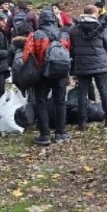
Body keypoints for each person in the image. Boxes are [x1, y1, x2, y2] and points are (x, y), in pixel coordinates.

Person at [23, 9, 72, 146]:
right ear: (54, 19)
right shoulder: (63, 34)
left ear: (41, 20)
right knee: (60, 102)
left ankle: (44, 135)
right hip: (60, 73)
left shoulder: (35, 35)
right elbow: (68, 52)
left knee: (41, 102)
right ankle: (60, 133)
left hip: (42, 74)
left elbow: (27, 55)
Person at [69, 5, 107, 130]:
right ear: (94, 13)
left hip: (82, 65)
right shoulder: (101, 28)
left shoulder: (73, 29)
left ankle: (82, 122)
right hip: (99, 65)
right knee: (103, 91)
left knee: (82, 93)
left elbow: (71, 48)